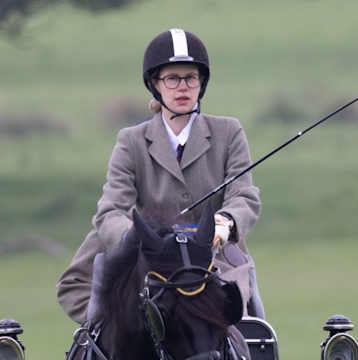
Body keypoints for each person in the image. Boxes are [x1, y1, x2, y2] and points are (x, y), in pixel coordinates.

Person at [56, 28, 263, 325]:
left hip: (213, 259)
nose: (183, 87)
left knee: (248, 329)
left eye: (191, 77)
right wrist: (141, 242)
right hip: (153, 261)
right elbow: (111, 210)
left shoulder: (229, 132)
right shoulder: (131, 140)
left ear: (201, 83)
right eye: (172, 78)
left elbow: (244, 195)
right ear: (155, 84)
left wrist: (226, 222)